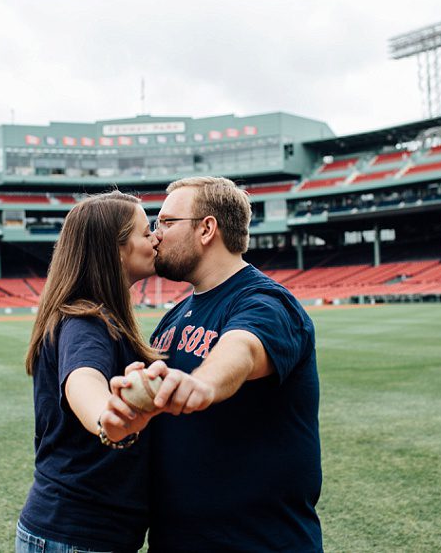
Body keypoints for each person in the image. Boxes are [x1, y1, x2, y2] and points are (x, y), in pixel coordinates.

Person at [106, 176, 323, 552]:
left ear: (207, 229)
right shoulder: (175, 316)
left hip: (258, 543)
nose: (156, 235)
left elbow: (244, 349)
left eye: (167, 223)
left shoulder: (266, 301)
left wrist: (204, 383)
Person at [17, 190, 162, 553]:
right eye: (146, 232)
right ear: (116, 250)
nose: (156, 237)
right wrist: (107, 417)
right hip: (76, 536)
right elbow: (83, 380)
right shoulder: (87, 321)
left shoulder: (97, 315)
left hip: (78, 534)